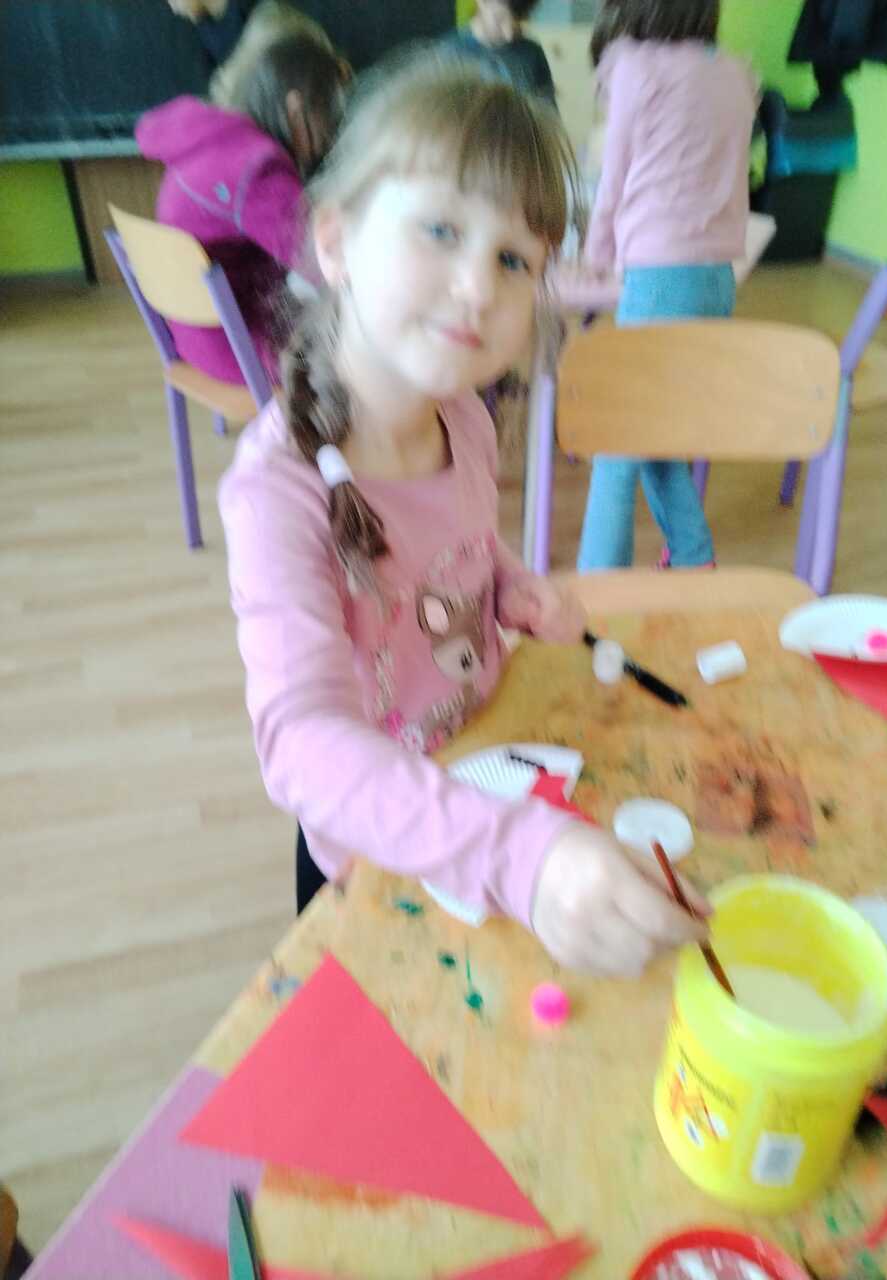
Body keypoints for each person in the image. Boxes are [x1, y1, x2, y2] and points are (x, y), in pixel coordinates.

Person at [218, 58, 708, 975]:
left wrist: (513, 583)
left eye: (514, 259)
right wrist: (520, 856)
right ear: (336, 242)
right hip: (375, 848)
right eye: (441, 230)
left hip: (488, 760)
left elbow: (460, 543)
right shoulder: (276, 490)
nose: (479, 287)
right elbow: (302, 742)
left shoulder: (467, 421)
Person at [577, 0, 756, 572]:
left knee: (617, 445)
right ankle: (694, 556)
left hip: (659, 278)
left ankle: (598, 590)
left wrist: (596, 252)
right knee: (654, 431)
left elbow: (613, 176)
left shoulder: (637, 66)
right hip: (717, 279)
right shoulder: (735, 72)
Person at [137, 8, 349, 385]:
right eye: (327, 120)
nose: (327, 138)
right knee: (364, 339)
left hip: (197, 334)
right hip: (242, 345)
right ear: (296, 108)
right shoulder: (258, 169)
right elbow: (318, 263)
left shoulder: (214, 138)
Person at [444, 0, 557, 104]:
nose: (509, 35)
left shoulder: (533, 53)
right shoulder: (447, 55)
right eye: (501, 19)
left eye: (517, 23)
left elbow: (548, 113)